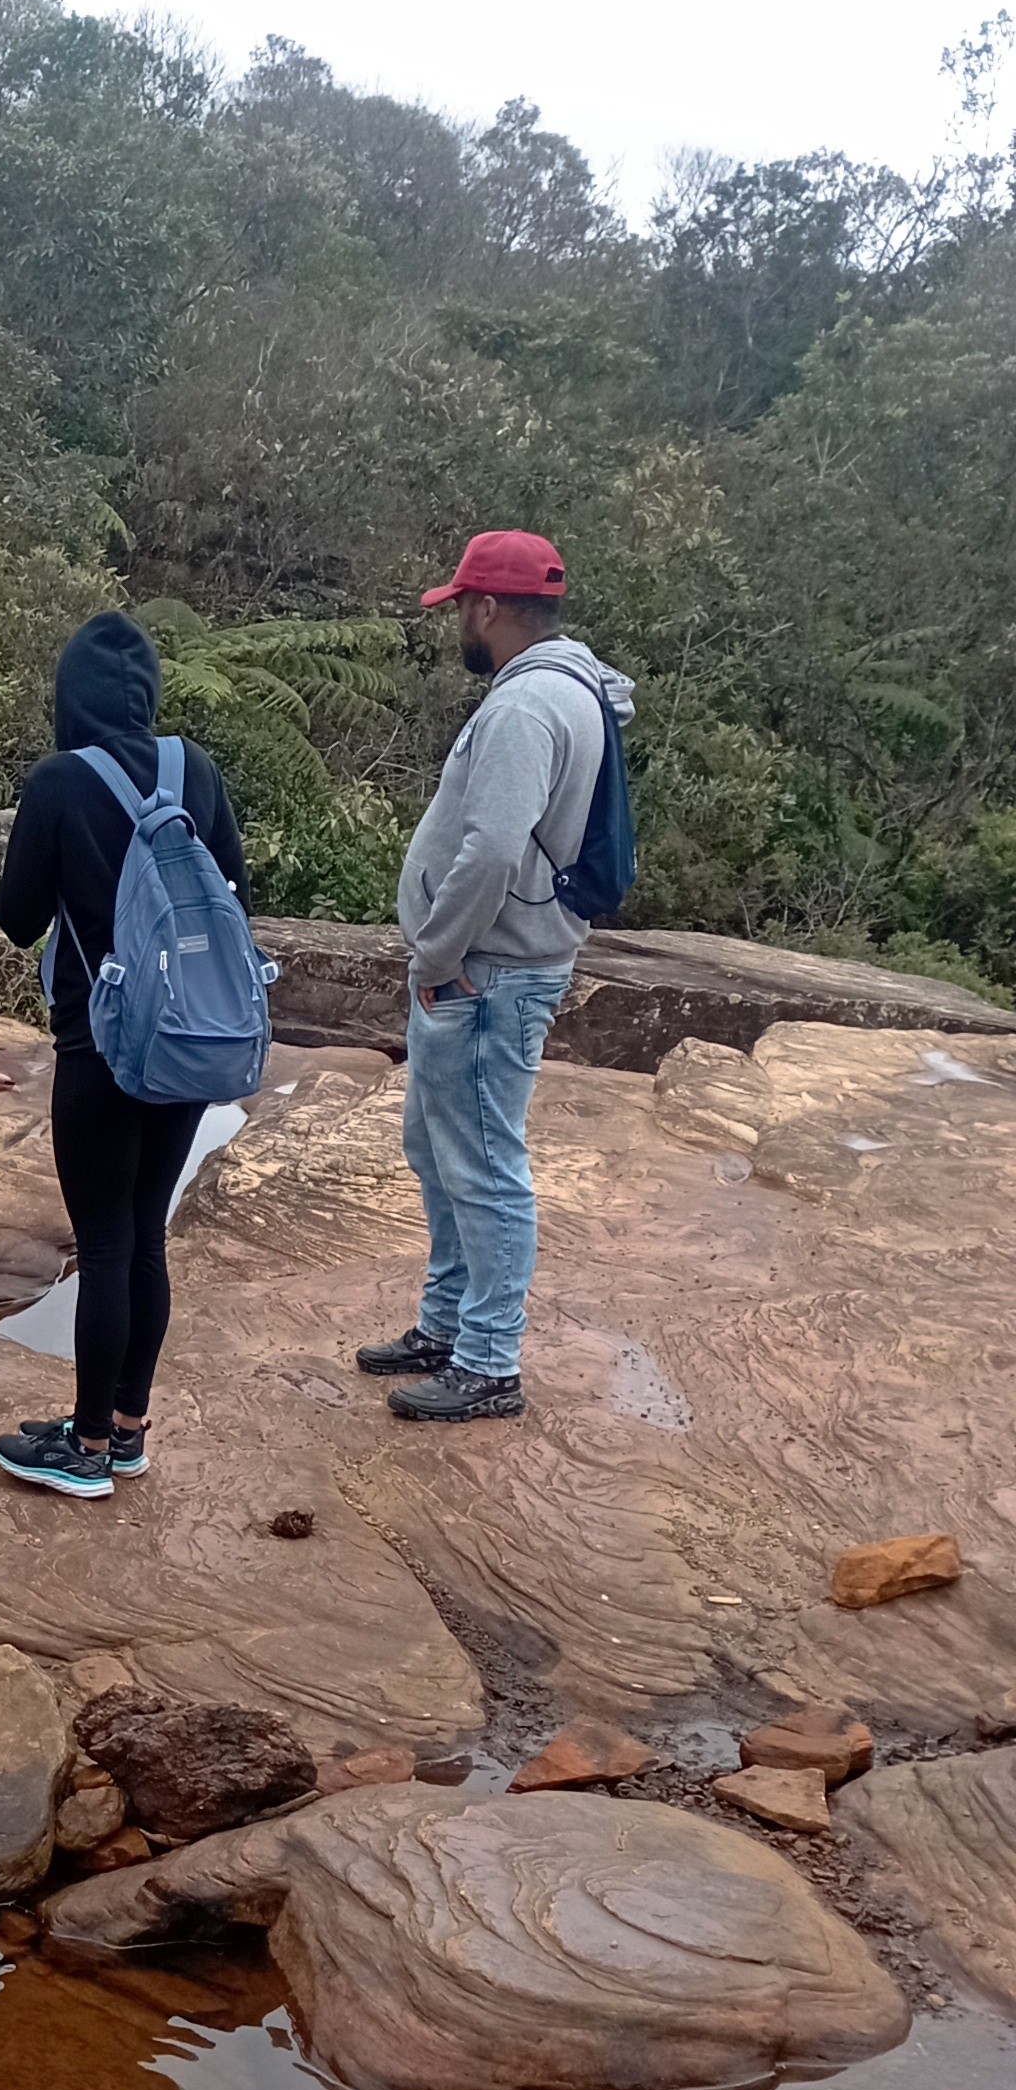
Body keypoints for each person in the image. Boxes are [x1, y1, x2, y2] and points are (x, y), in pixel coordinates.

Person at [358, 529, 635, 1422]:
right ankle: (448, 1325)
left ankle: (487, 1363)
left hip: (488, 969)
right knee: (440, 1151)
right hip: (495, 960)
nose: (458, 631)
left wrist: (435, 957)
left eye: (460, 612)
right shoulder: (571, 685)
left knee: (480, 1163)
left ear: (486, 608)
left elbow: (488, 851)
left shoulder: (524, 709)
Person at [0, 612, 251, 1499]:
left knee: (101, 1246)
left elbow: (17, 918)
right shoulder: (195, 769)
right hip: (184, 1040)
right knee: (143, 1239)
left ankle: (86, 1448)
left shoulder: (59, 781)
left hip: (98, 1043)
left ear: (70, 697)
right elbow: (234, 892)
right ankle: (127, 1429)